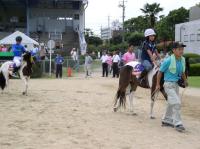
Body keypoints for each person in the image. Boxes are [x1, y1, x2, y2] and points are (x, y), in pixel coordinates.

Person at [156, 42, 188, 132]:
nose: (181, 51)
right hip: (168, 85)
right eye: (179, 49)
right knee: (177, 103)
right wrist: (158, 84)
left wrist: (185, 80)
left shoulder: (182, 60)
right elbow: (160, 72)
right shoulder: (168, 60)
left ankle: (166, 120)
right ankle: (178, 123)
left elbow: (182, 72)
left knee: (171, 103)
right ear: (173, 50)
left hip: (176, 85)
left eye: (182, 49)